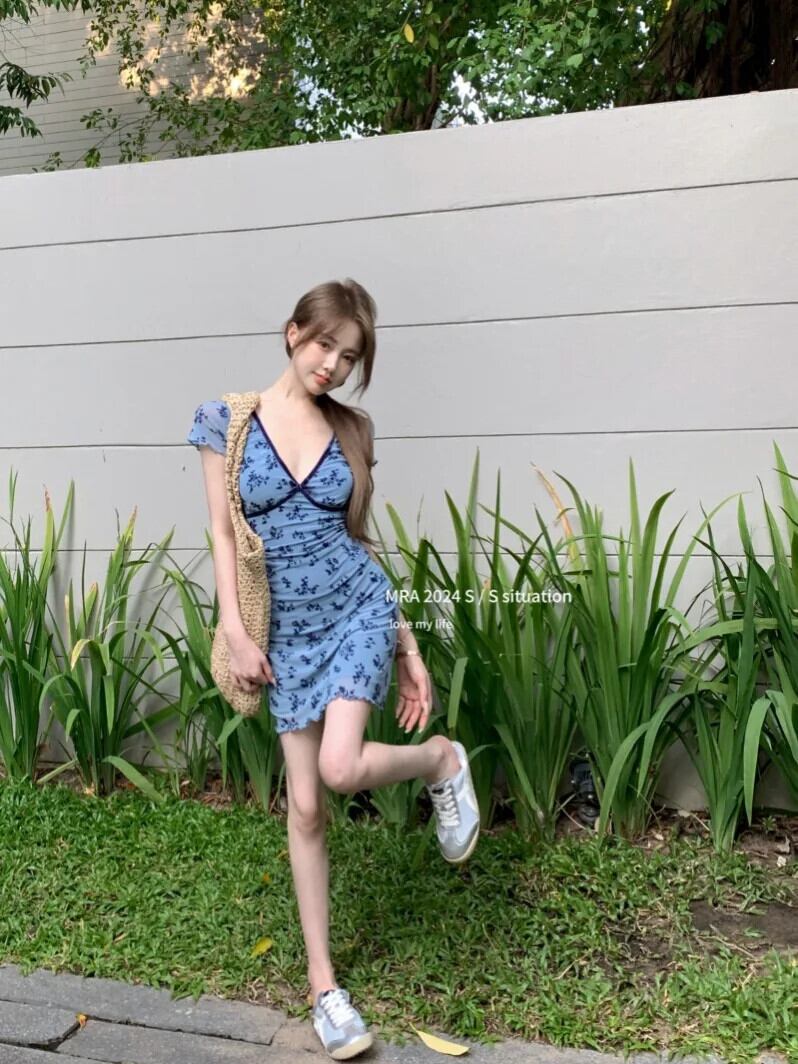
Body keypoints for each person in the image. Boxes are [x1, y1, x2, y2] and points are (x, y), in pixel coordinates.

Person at [187, 278, 479, 1061]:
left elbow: (360, 543)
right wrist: (234, 629)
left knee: (341, 768)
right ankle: (325, 990)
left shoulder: (351, 429)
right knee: (308, 807)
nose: (333, 365)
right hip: (284, 634)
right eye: (325, 345)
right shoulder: (226, 421)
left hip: (357, 611)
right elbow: (221, 534)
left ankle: (439, 760)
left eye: (349, 357)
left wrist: (407, 646)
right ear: (293, 332)